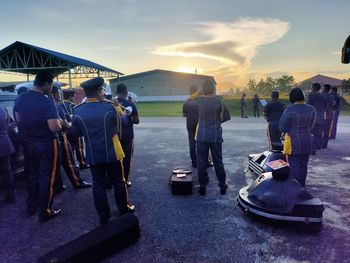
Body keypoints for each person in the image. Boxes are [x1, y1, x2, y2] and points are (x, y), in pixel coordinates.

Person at [72, 77, 134, 224]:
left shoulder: (77, 110)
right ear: (99, 91)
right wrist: (119, 107)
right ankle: (123, 209)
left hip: (93, 155)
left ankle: (103, 214)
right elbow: (124, 123)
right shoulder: (109, 107)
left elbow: (76, 133)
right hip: (112, 153)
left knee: (98, 184)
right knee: (119, 181)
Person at [14, 71, 61, 222]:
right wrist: (62, 123)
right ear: (47, 84)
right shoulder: (46, 101)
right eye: (51, 85)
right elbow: (53, 127)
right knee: (47, 176)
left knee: (32, 175)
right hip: (46, 143)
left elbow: (18, 119)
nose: (51, 88)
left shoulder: (20, 98)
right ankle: (45, 211)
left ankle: (31, 207)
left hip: (28, 143)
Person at [51, 86, 92, 191]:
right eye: (59, 93)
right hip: (61, 136)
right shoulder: (56, 107)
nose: (60, 95)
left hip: (49, 139)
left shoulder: (53, 105)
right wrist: (69, 124)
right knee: (69, 161)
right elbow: (65, 124)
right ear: (55, 94)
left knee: (55, 164)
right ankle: (77, 181)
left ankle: (58, 185)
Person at [195, 80, 231, 195]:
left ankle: (202, 185)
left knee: (201, 162)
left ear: (203, 89)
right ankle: (222, 185)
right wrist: (218, 122)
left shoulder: (198, 101)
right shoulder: (219, 101)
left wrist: (198, 92)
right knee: (218, 161)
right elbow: (227, 117)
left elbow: (188, 102)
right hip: (215, 136)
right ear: (214, 89)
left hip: (202, 136)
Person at [280, 87, 316, 187]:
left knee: (294, 167)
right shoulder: (311, 108)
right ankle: (302, 188)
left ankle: (295, 190)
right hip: (307, 141)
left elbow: (282, 127)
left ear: (291, 97)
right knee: (304, 166)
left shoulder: (289, 109)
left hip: (293, 143)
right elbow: (312, 125)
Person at [116, 83, 139, 187]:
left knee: (115, 159)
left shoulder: (110, 103)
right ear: (126, 92)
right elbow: (136, 121)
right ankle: (124, 180)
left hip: (114, 136)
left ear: (116, 92)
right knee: (126, 158)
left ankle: (113, 180)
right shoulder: (130, 104)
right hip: (127, 136)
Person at [62, 89, 89, 170]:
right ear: (70, 97)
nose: (74, 97)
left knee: (70, 148)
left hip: (66, 130)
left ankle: (72, 165)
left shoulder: (62, 105)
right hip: (74, 129)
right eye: (73, 96)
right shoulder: (72, 105)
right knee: (79, 147)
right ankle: (82, 163)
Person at [0, 106, 16, 203]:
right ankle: (11, 195)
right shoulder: (4, 109)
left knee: (6, 172)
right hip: (5, 142)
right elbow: (8, 124)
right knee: (7, 172)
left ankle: (11, 195)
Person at [183, 85, 200, 168]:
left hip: (190, 124)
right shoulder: (200, 101)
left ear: (190, 92)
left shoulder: (186, 102)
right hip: (199, 124)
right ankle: (202, 161)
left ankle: (194, 162)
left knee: (192, 143)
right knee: (200, 143)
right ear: (196, 91)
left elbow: (184, 114)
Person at [307, 83, 326, 152]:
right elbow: (325, 106)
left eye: (311, 87)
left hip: (312, 117)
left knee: (311, 134)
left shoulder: (311, 96)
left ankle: (312, 149)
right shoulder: (323, 97)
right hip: (320, 117)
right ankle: (318, 146)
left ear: (314, 88)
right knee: (318, 133)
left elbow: (308, 106)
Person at [322, 84, 334, 148]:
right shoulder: (331, 96)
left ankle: (319, 144)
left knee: (320, 130)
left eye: (323, 88)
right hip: (330, 115)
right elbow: (332, 104)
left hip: (323, 115)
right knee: (327, 131)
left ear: (325, 89)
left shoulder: (322, 96)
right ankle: (325, 145)